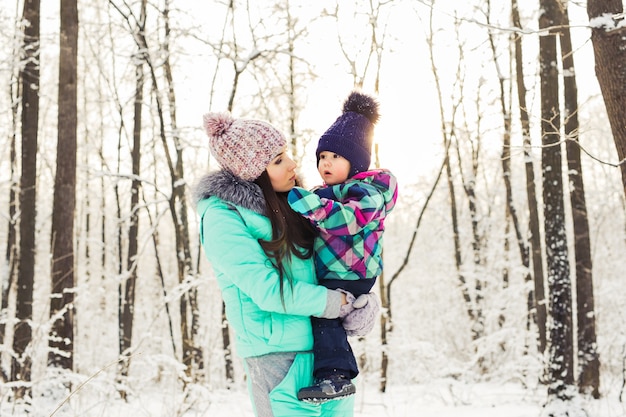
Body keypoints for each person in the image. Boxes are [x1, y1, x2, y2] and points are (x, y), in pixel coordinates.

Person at [193, 111, 379, 417]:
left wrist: (362, 303)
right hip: (278, 362)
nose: (293, 163)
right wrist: (336, 304)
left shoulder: (299, 204)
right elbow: (266, 289)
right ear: (252, 172)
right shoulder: (223, 217)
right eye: (278, 159)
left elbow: (338, 263)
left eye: (287, 153)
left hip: (329, 359)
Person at [287, 91, 398, 403]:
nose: (326, 163)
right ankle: (331, 371)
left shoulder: (368, 192)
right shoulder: (326, 193)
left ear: (356, 161)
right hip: (338, 269)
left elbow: (349, 221)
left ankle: (336, 376)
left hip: (352, 270)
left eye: (336, 156)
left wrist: (312, 206)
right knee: (324, 314)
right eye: (322, 157)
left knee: (324, 314)